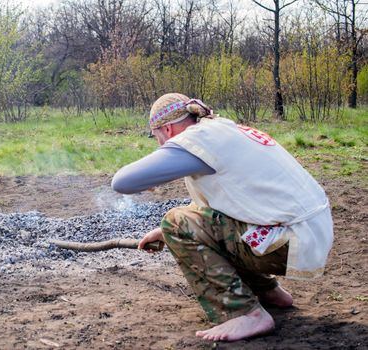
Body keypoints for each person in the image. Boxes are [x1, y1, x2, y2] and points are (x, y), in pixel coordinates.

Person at [111, 93, 334, 342]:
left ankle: (244, 313)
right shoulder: (223, 131)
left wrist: (154, 187)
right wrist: (162, 233)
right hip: (308, 232)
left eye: (157, 137)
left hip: (286, 243)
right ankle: (268, 292)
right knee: (183, 223)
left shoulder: (194, 140)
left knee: (175, 221)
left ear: (167, 128)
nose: (159, 144)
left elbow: (122, 181)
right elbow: (227, 205)